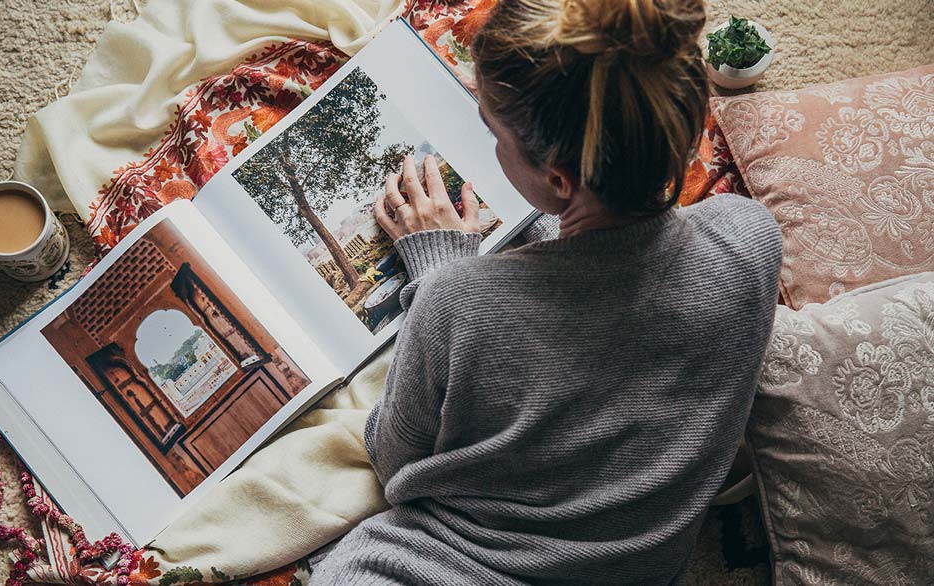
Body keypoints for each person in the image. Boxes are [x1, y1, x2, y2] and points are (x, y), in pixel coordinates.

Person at [311, 0, 782, 584]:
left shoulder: (457, 301)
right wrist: (544, 223)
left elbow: (391, 456)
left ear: (559, 179)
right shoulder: (750, 241)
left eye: (491, 132)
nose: (488, 144)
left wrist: (438, 263)